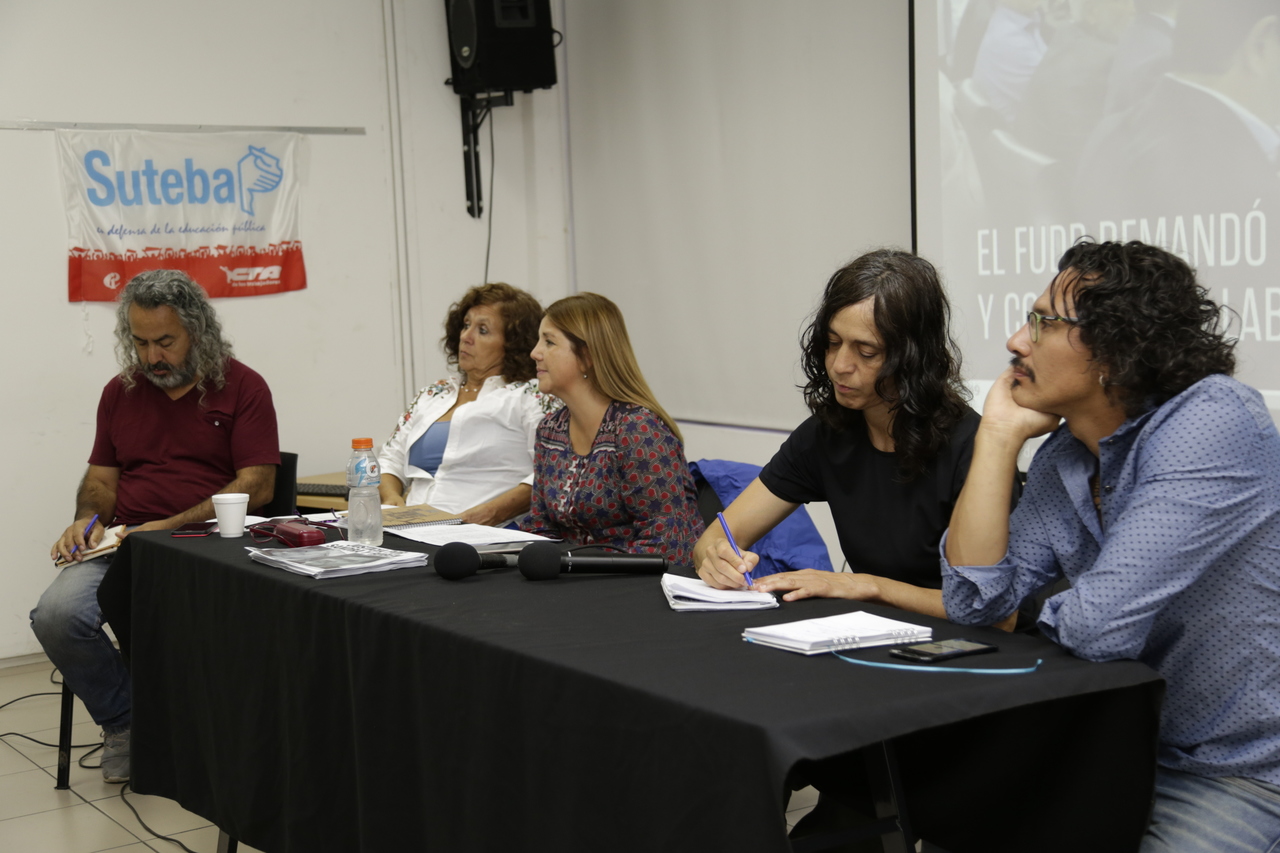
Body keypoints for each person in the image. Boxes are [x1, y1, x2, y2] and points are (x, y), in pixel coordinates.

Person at [942, 240, 1280, 852]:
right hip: (1119, 748)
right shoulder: (1065, 455)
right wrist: (995, 436)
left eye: (1043, 324)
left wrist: (1054, 613)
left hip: (1243, 768)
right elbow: (974, 602)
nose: (1016, 341)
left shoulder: (1212, 419)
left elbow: (1098, 629)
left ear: (1118, 348)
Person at [31, 269, 280, 783]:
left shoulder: (242, 386)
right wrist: (86, 520)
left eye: (165, 341)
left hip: (207, 542)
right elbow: (101, 480)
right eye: (140, 342)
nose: (151, 357)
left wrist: (169, 524)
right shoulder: (120, 392)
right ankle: (126, 724)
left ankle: (219, 730)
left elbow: (257, 486)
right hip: (127, 542)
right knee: (56, 616)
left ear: (198, 330)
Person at [695, 249, 1011, 628]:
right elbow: (715, 539)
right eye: (832, 343)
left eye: (867, 352)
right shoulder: (828, 433)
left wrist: (867, 586)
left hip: (972, 646)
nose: (839, 366)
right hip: (877, 636)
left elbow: (999, 618)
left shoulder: (974, 449)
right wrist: (716, 560)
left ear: (913, 357)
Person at [524, 292, 702, 565]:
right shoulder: (550, 430)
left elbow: (667, 545)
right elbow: (539, 526)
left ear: (587, 356)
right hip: (570, 577)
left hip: (639, 581)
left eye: (549, 342)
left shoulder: (639, 430)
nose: (535, 353)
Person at [377, 283, 560, 525]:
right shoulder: (434, 393)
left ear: (512, 343)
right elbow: (390, 460)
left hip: (488, 532)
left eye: (482, 330)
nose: (466, 337)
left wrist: (492, 513)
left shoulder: (532, 395)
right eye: (465, 325)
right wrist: (391, 498)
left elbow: (550, 472)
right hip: (412, 527)